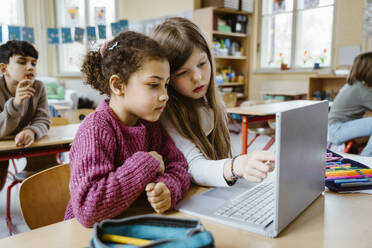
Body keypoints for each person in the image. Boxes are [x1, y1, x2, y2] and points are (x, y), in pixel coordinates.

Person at [64, 31, 190, 227]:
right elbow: (88, 209)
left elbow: (179, 166)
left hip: (133, 226)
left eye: (165, 85)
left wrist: (167, 188)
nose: (165, 95)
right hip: (90, 236)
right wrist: (147, 163)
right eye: (154, 84)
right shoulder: (95, 129)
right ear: (118, 85)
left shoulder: (150, 126)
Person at [152, 17, 275, 187]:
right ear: (167, 78)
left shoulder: (211, 101)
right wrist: (235, 166)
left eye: (202, 63)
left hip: (213, 190)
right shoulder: (165, 112)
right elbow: (193, 166)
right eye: (182, 73)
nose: (198, 77)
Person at [0, 40, 50, 191]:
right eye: (22, 62)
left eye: (33, 63)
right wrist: (15, 105)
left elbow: (43, 119)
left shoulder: (38, 87)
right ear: (4, 68)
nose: (30, 67)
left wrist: (32, 131)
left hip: (25, 144)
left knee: (46, 171)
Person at [328, 51, 372, 156]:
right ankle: (367, 158)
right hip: (337, 130)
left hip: (339, 127)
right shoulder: (361, 89)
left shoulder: (356, 85)